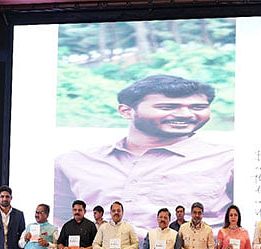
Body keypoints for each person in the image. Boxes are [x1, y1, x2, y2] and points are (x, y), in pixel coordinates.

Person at [54, 75, 233, 238]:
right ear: (126, 111)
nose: (186, 114)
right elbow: (60, 218)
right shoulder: (74, 161)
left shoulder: (227, 160)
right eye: (167, 107)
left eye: (198, 107)